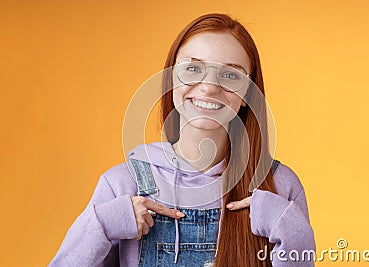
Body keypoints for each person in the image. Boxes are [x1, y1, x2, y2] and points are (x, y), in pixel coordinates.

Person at [50, 13, 316, 267]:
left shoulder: (279, 186)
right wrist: (103, 224)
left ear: (248, 93)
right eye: (192, 68)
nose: (210, 87)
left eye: (231, 74)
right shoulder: (122, 184)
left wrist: (291, 230)